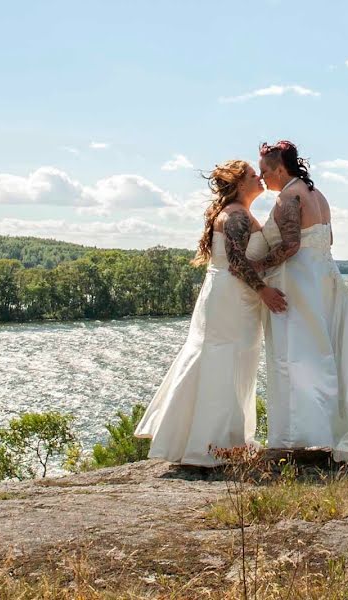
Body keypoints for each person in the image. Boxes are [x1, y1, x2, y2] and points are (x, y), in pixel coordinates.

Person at [246, 140, 348, 467]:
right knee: (330, 351)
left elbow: (290, 246)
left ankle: (298, 437)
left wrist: (258, 267)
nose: (263, 179)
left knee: (297, 357)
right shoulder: (317, 195)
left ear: (280, 168)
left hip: (299, 283)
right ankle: (328, 431)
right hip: (324, 278)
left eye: (265, 171)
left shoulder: (288, 197)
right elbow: (327, 240)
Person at [134, 160, 286, 466]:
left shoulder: (236, 212)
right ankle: (215, 443)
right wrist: (264, 291)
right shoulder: (236, 217)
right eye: (253, 175)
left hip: (229, 295)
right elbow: (237, 262)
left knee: (229, 361)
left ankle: (221, 440)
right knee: (225, 362)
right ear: (240, 183)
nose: (259, 179)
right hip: (233, 296)